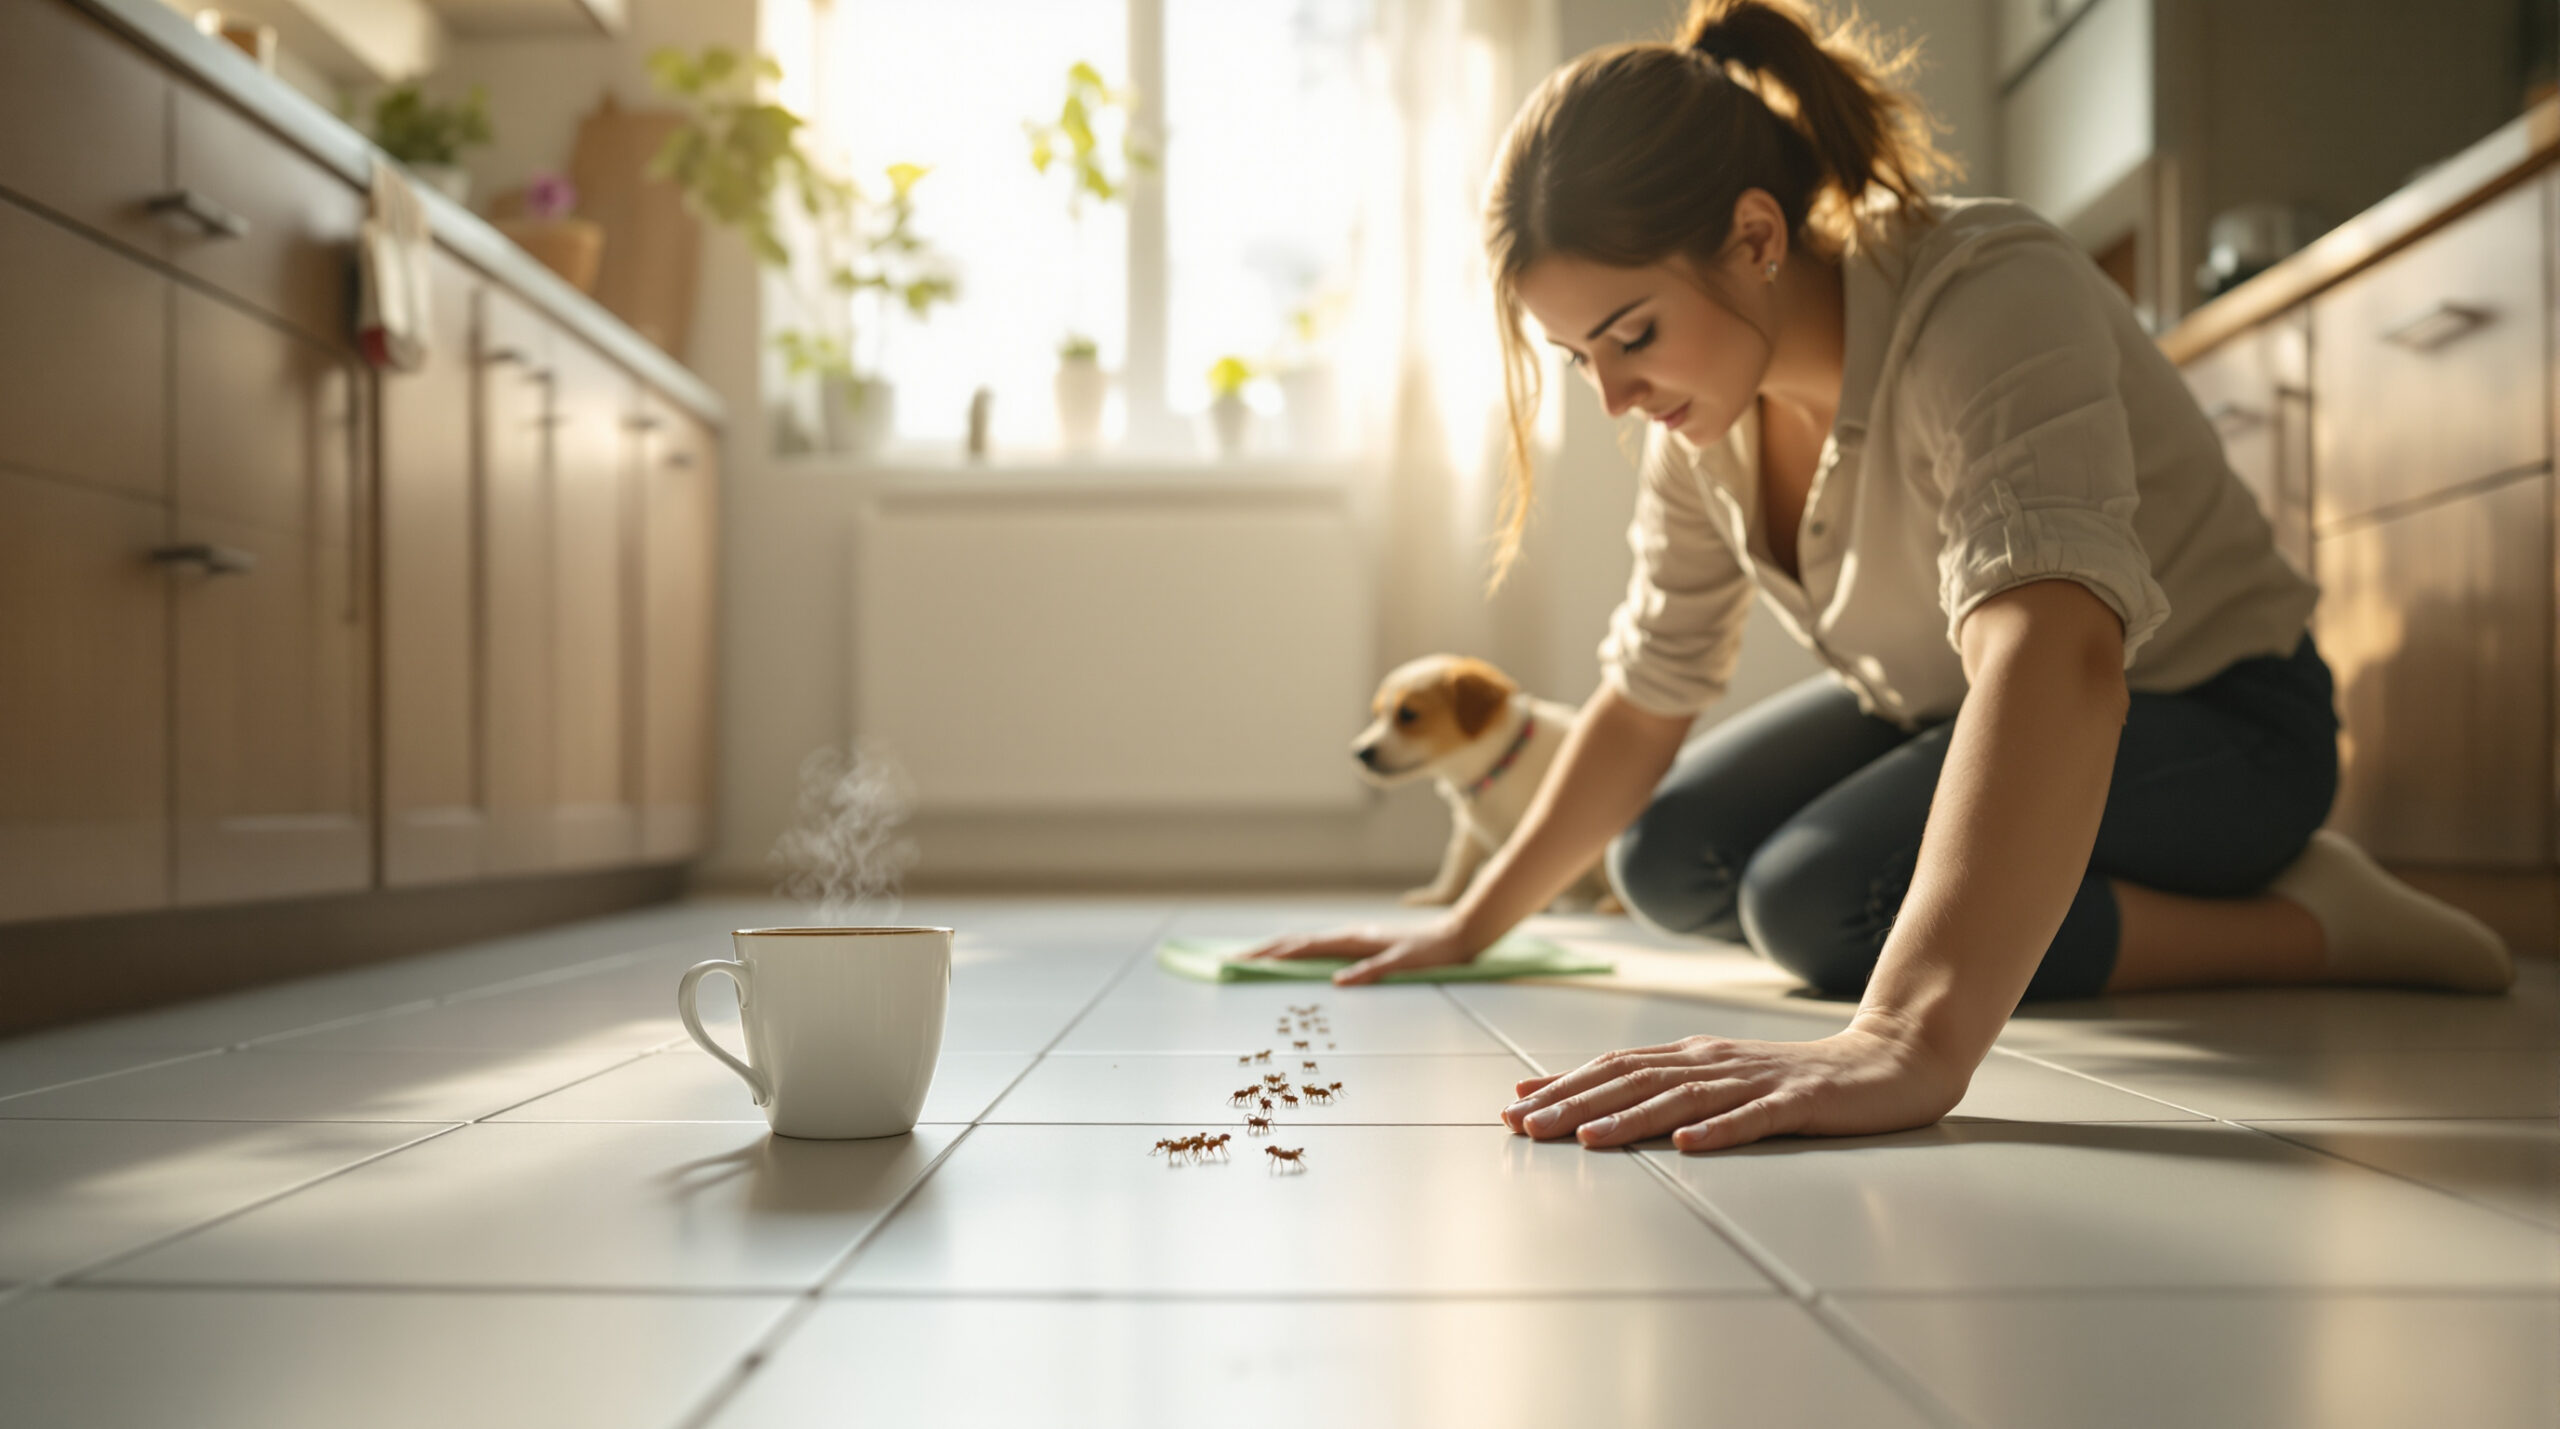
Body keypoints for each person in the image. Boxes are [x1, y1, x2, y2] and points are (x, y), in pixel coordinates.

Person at [1240, 0, 2515, 1155]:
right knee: (1669, 855)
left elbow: (2056, 651)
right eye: (1579, 358)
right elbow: (1647, 689)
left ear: (1754, 236)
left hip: (2217, 711)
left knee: (1820, 900)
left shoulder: (1985, 287)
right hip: (1949, 702)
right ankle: (2113, 882)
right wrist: (1465, 927)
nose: (1616, 393)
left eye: (1630, 334)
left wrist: (1905, 1036)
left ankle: (2316, 917)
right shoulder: (1706, 409)